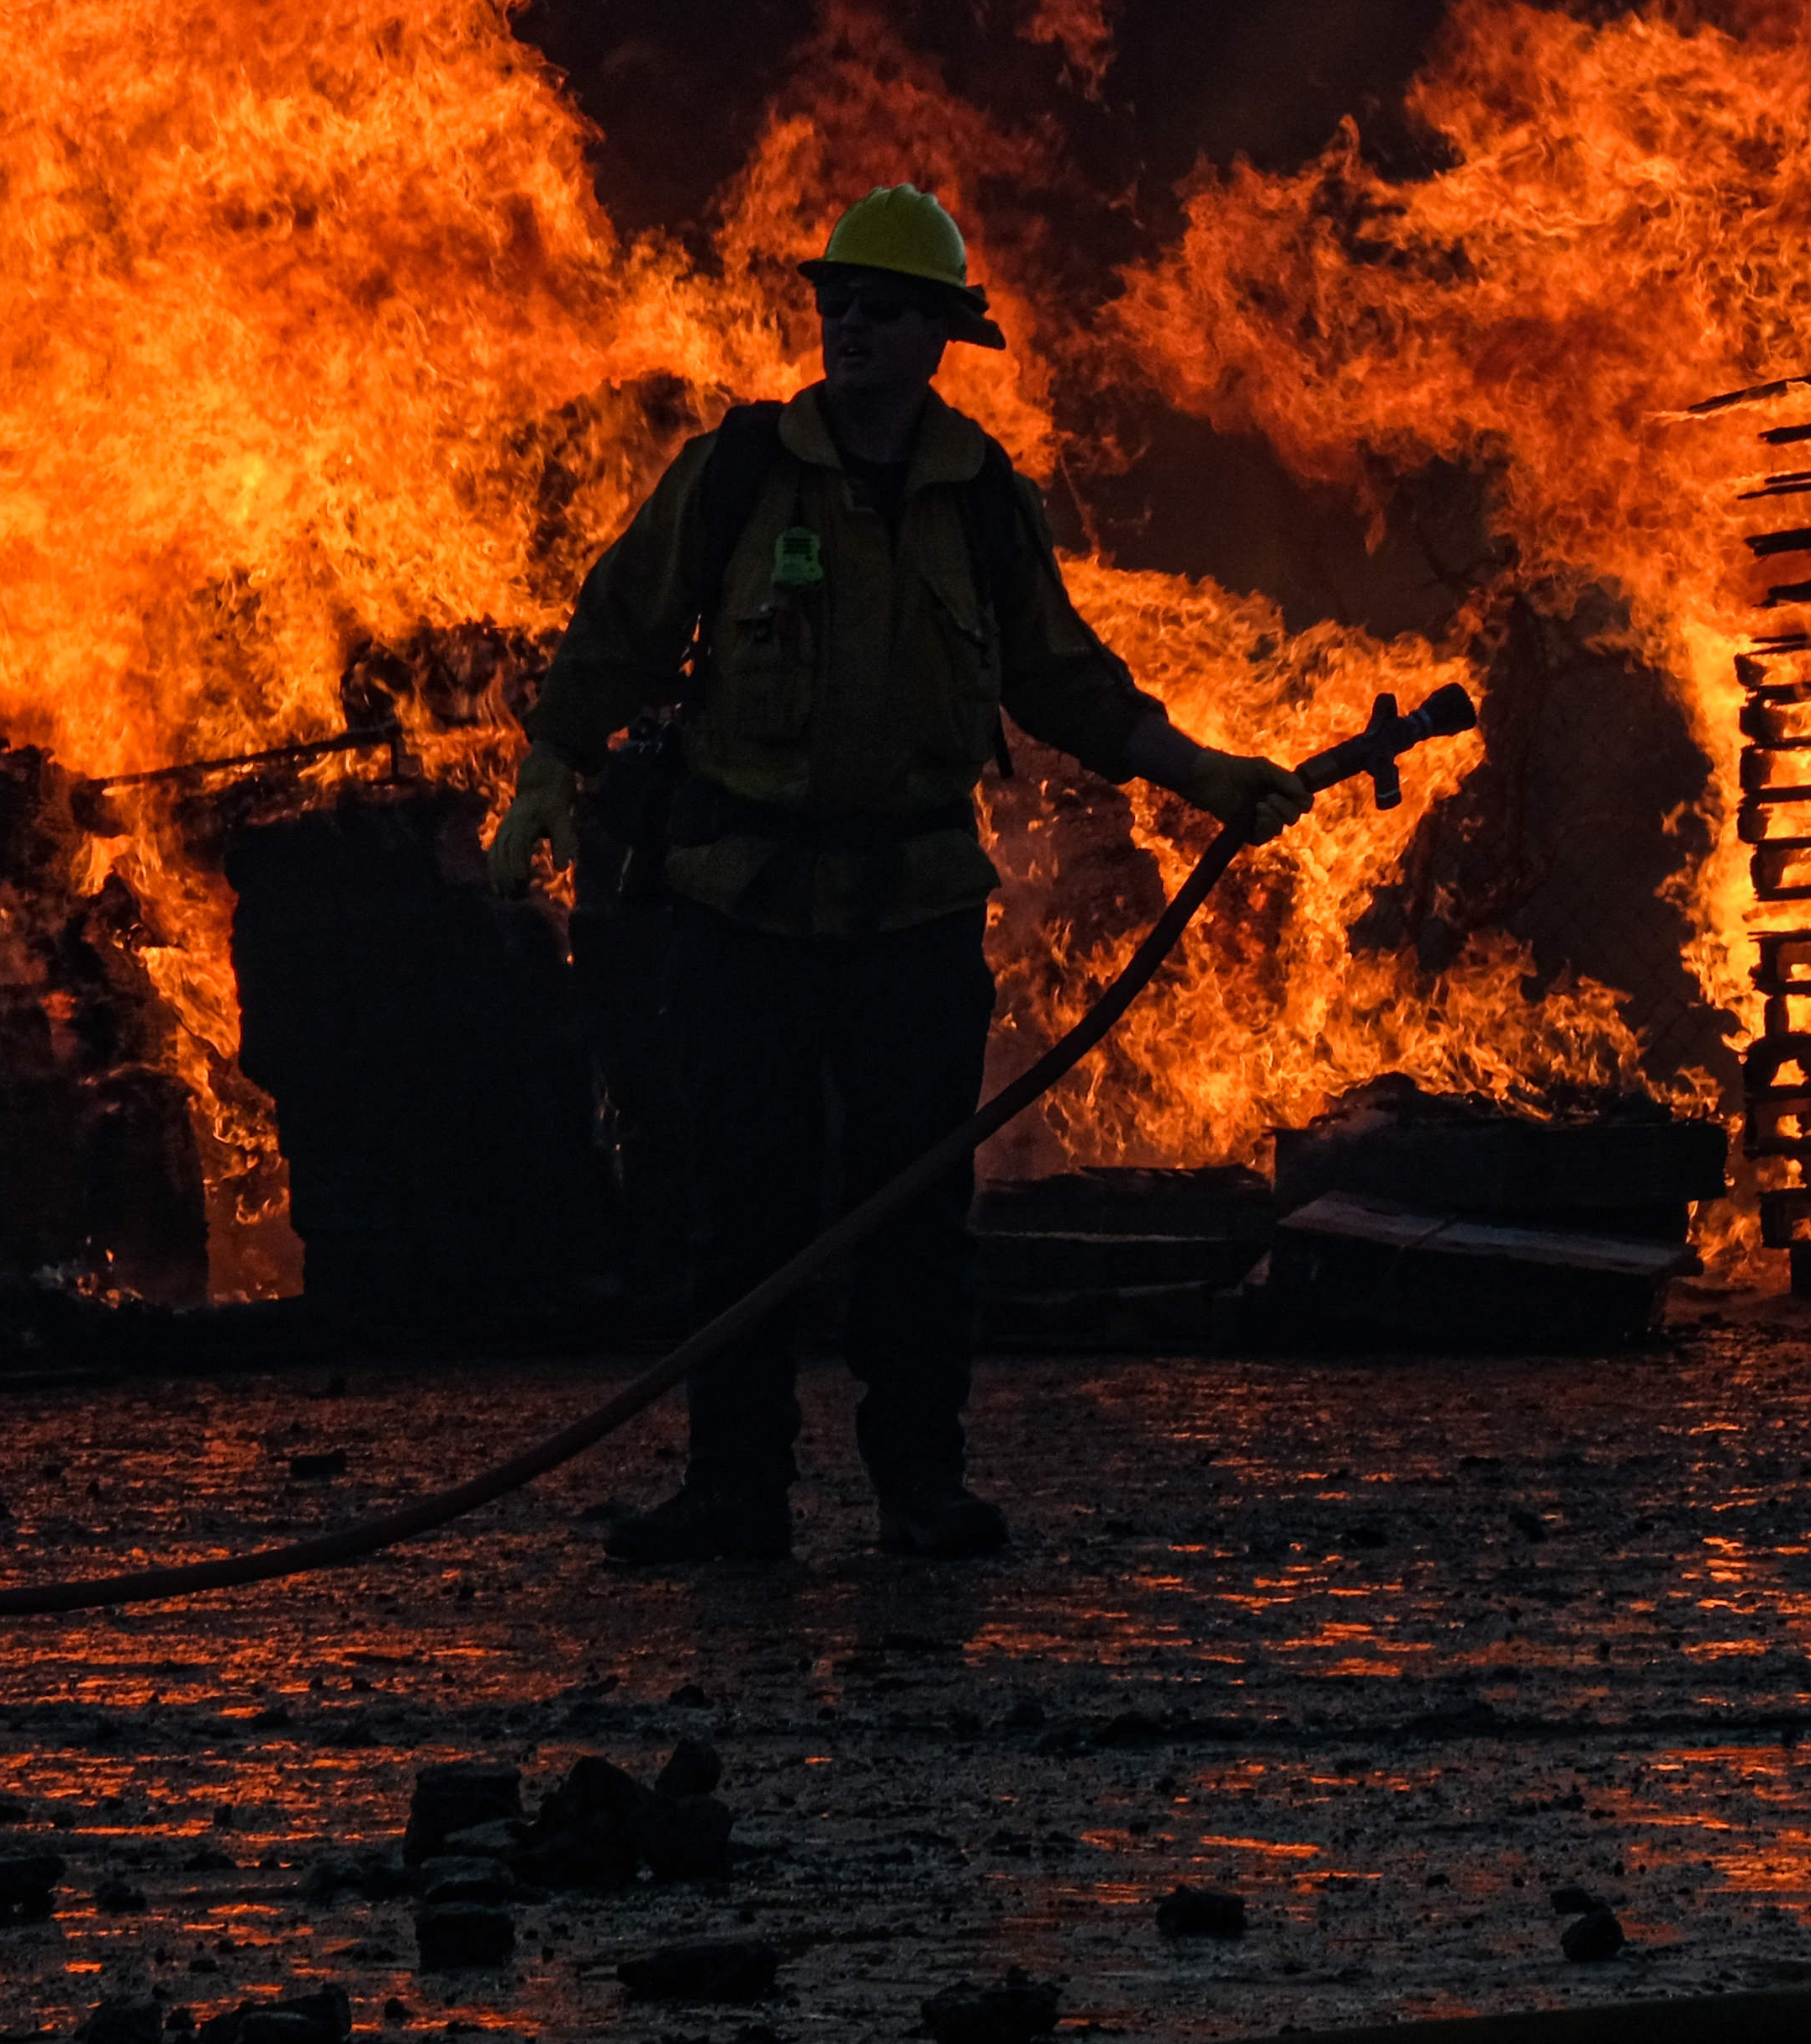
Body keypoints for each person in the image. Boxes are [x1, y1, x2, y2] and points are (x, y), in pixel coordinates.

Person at [483, 184, 1307, 1563]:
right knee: (742, 1209)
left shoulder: (981, 503)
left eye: (883, 306)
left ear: (940, 334)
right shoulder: (739, 473)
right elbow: (619, 630)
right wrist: (547, 776)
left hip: (914, 918)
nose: (850, 324)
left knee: (916, 1215)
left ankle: (919, 1488)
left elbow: (1063, 678)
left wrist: (1199, 771)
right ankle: (734, 1498)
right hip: (741, 908)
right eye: (836, 302)